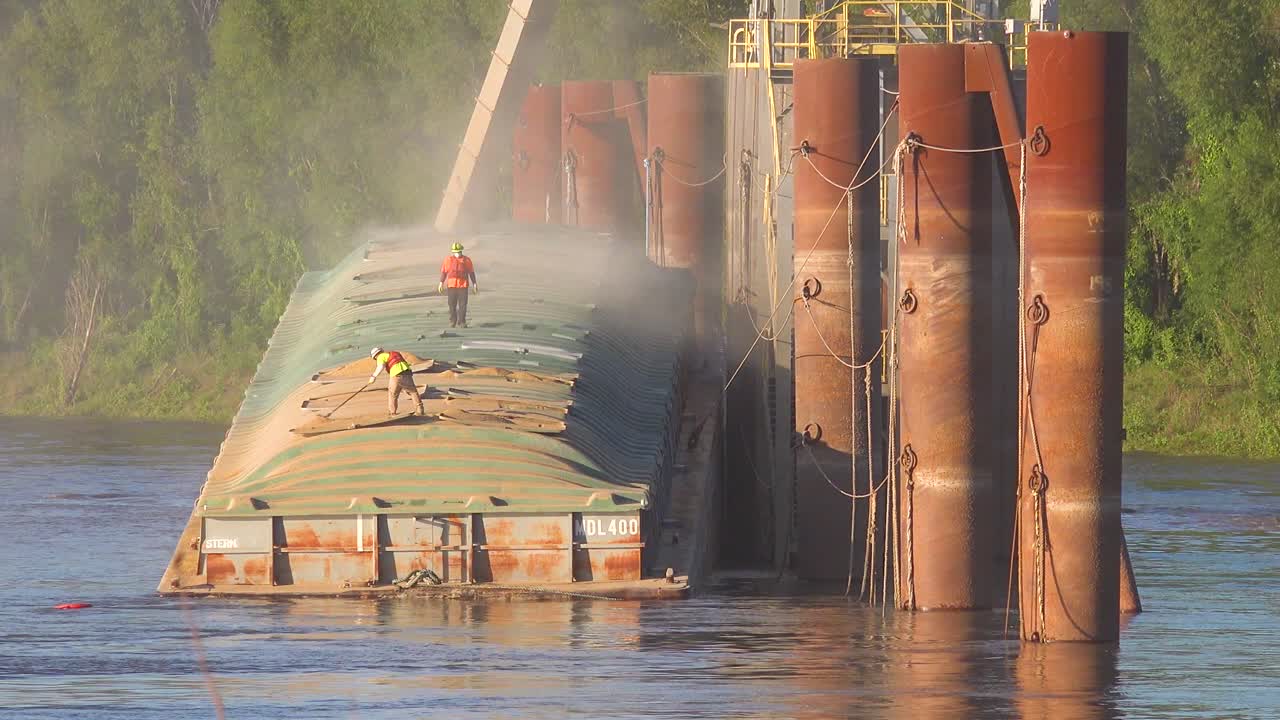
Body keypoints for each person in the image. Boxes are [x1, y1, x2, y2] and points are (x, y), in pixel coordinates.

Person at [368, 346, 425, 415]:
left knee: (393, 394)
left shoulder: (380, 356)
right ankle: (420, 410)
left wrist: (374, 376)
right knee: (413, 392)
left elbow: (380, 366)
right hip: (407, 373)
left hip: (396, 374)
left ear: (375, 356)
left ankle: (392, 413)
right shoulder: (394, 353)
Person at [438, 242, 477, 328]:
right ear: (453, 252)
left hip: (463, 286)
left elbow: (471, 272)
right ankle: (453, 321)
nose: (457, 254)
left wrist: (474, 284)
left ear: (461, 251)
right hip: (452, 286)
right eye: (456, 252)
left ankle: (462, 322)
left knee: (463, 304)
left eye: (459, 252)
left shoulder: (467, 260)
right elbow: (444, 272)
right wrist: (441, 283)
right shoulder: (448, 260)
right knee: (451, 304)